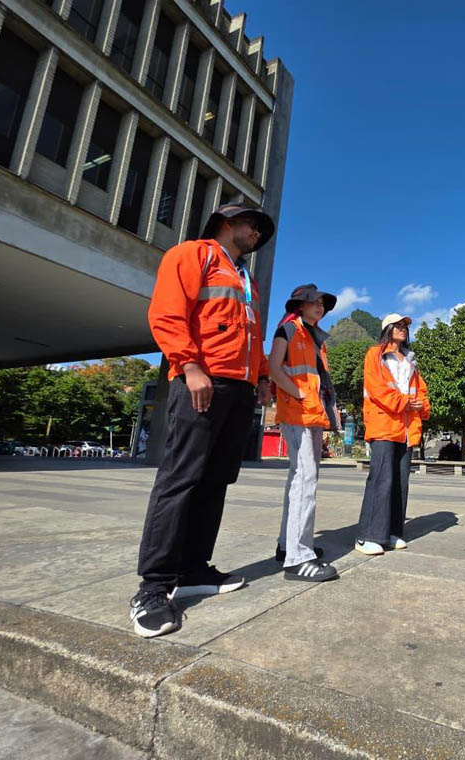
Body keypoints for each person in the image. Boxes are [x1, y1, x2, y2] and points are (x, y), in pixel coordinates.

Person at [130, 203, 274, 638]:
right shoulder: (192, 254)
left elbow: (252, 333)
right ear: (227, 223)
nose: (258, 234)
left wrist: (263, 376)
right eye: (253, 225)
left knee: (216, 479)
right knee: (180, 478)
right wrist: (189, 366)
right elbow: (167, 315)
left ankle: (193, 569)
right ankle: (152, 588)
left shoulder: (245, 278)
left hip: (240, 387)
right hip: (202, 380)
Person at [268, 284, 340, 582]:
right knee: (304, 480)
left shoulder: (314, 337)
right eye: (314, 302)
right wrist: (299, 394)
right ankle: (298, 557)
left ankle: (288, 546)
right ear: (300, 304)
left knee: (299, 479)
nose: (320, 306)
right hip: (298, 412)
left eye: (322, 303)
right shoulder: (289, 329)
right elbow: (274, 367)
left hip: (310, 413)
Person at [355, 314, 430, 555]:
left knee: (400, 481)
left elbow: (421, 392)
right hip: (384, 425)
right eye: (398, 326)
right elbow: (378, 389)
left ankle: (392, 532)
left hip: (407, 429)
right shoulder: (374, 354)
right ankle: (367, 536)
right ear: (387, 329)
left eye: (406, 326)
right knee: (381, 480)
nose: (403, 329)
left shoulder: (411, 360)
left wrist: (421, 406)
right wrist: (408, 402)